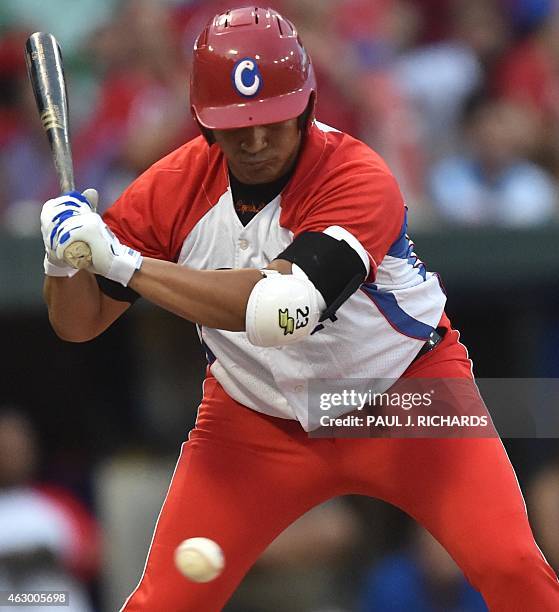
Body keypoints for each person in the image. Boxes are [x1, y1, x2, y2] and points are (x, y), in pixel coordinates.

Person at [39, 7, 559, 611]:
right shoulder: (170, 189)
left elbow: (281, 312)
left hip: (402, 396)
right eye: (238, 126)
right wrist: (63, 262)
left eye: (274, 120)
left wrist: (123, 263)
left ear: (307, 107)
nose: (257, 140)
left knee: (513, 567)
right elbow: (76, 325)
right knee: (164, 601)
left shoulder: (356, 176)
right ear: (206, 124)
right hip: (254, 416)